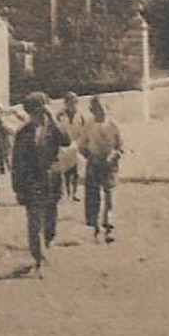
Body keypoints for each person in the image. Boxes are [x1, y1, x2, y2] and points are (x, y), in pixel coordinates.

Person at [9, 91, 64, 274]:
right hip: (31, 183)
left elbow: (66, 140)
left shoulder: (53, 129)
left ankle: (46, 247)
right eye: (37, 111)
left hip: (51, 180)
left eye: (43, 110)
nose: (39, 115)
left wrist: (53, 118)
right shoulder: (23, 133)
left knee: (50, 221)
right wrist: (18, 188)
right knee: (34, 223)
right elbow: (17, 163)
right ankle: (38, 259)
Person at [77, 96, 123, 243]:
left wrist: (114, 155)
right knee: (93, 197)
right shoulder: (89, 126)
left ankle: (109, 228)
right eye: (97, 109)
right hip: (94, 164)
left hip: (110, 165)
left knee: (109, 197)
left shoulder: (113, 125)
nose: (100, 112)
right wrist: (90, 157)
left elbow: (121, 147)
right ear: (92, 110)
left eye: (103, 108)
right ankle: (96, 227)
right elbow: (82, 146)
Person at [54, 91, 82, 202]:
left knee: (75, 170)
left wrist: (80, 142)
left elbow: (83, 128)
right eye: (70, 102)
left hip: (76, 143)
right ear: (66, 102)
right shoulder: (60, 114)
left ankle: (74, 193)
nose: (73, 104)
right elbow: (56, 128)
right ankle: (66, 192)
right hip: (63, 144)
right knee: (65, 170)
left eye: (75, 102)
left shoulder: (80, 114)